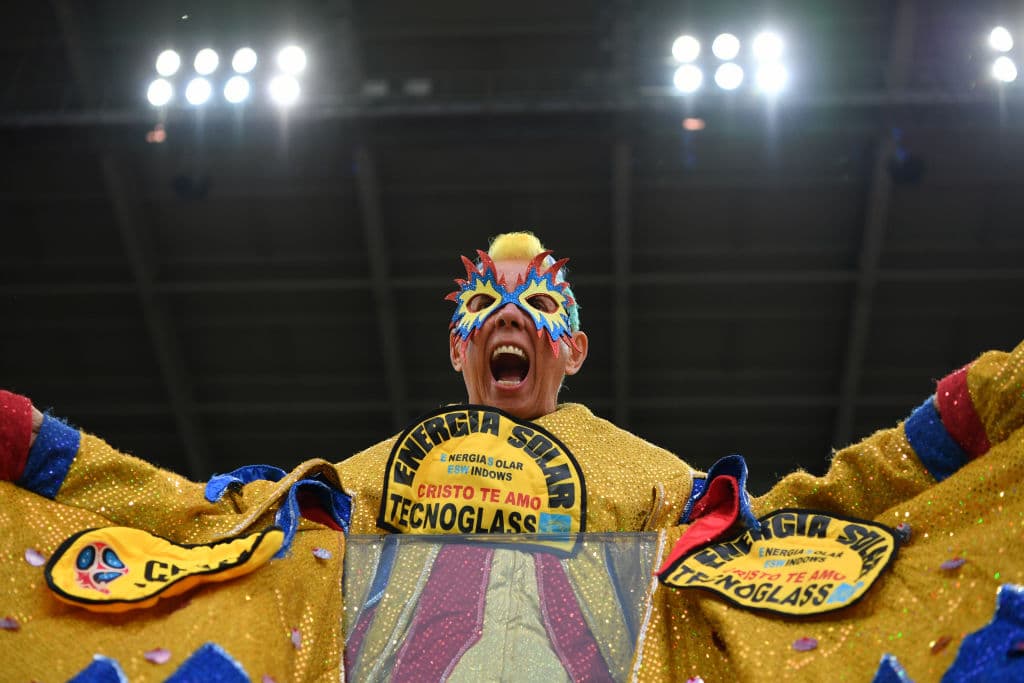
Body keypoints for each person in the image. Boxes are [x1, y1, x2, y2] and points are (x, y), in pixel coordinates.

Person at [1, 231, 1022, 682]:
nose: (510, 319)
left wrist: (966, 425)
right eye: (484, 306)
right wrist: (40, 456)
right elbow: (203, 528)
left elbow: (812, 522)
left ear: (570, 347)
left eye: (538, 307)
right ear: (457, 349)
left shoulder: (649, 476)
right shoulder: (369, 472)